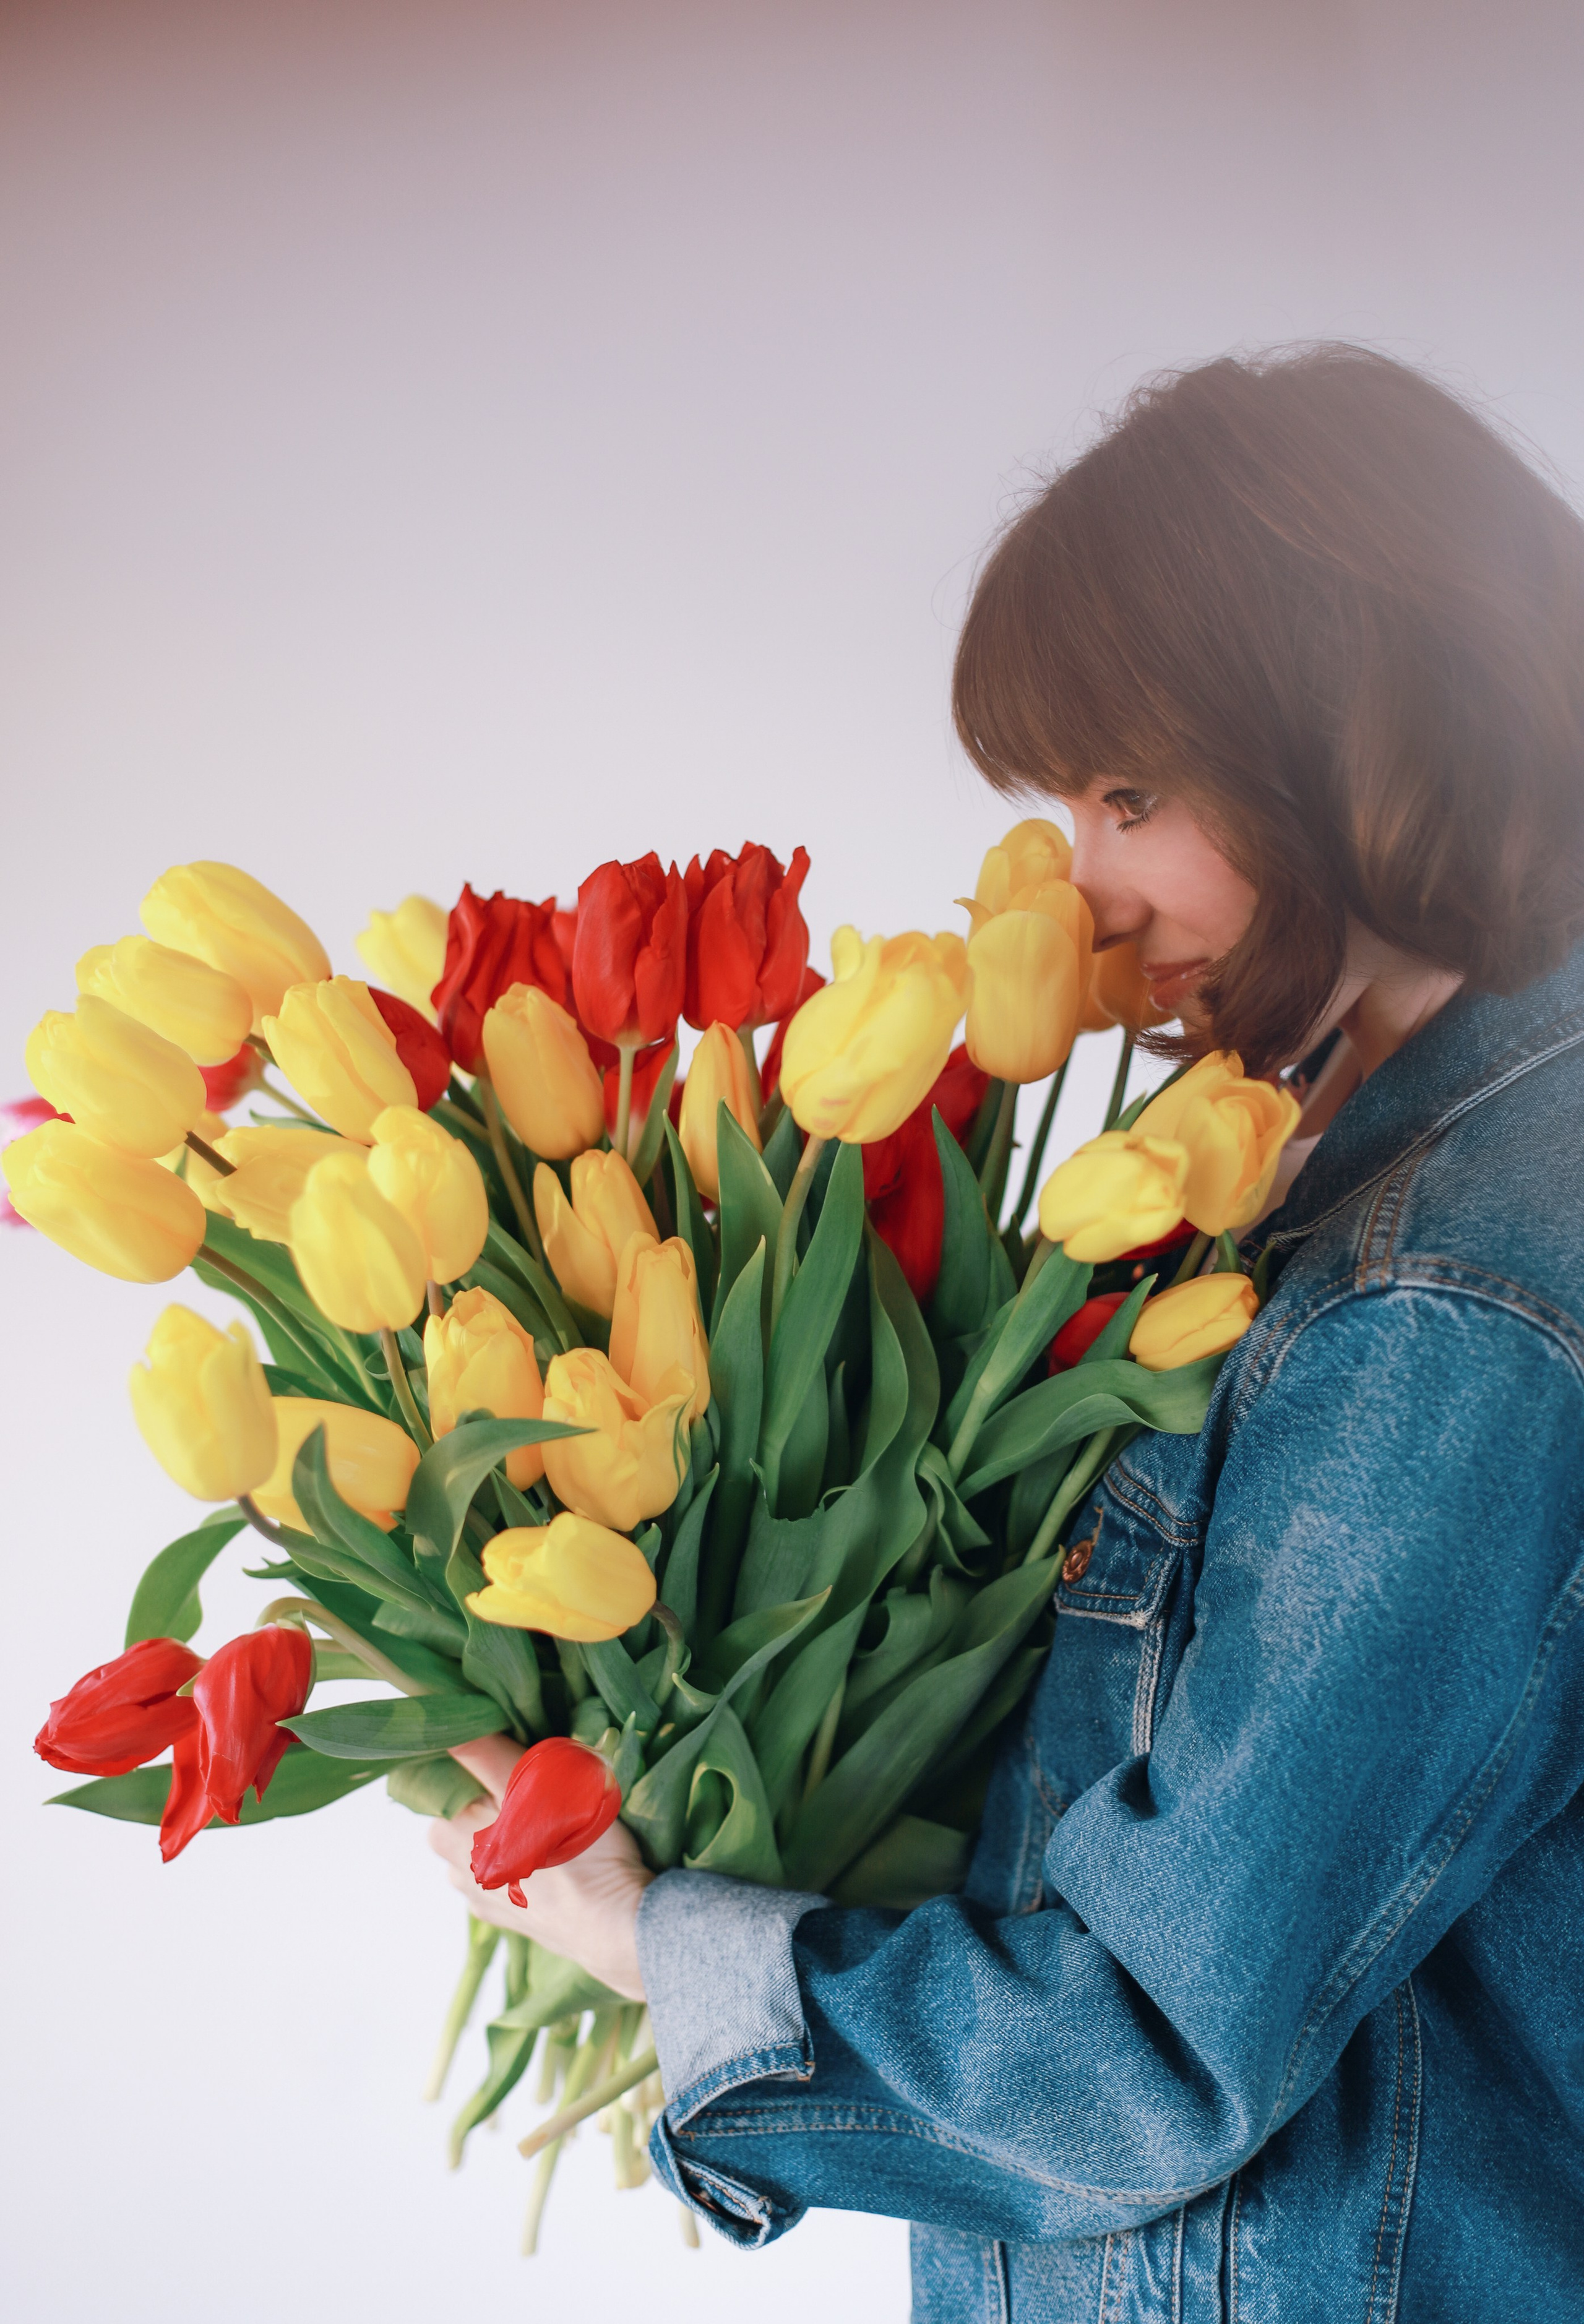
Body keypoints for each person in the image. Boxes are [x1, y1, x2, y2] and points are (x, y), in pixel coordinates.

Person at [430, 347, 1584, 2320]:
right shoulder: (1316, 1193)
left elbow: (1156, 2038)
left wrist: (663, 1945)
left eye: (1127, 791)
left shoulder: (1447, 1298)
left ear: (1347, 715)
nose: (1084, 887)